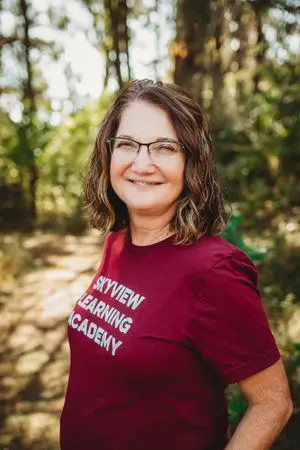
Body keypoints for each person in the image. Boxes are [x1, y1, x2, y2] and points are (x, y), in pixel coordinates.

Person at [60, 79, 292, 450]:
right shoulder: (118, 241)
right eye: (127, 145)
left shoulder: (215, 271)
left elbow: (272, 403)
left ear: (191, 162)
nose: (142, 163)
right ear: (108, 154)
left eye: (164, 147)